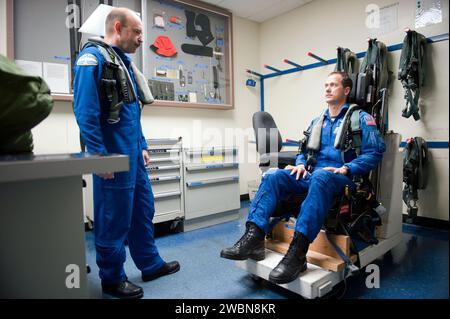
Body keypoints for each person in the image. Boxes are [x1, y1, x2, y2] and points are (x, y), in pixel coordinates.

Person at [220, 72, 386, 284]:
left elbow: (375, 152)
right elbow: (303, 151)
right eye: (325, 84)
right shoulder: (317, 121)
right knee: (275, 175)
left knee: (320, 177)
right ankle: (253, 236)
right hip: (314, 176)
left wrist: (347, 168)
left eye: (333, 85)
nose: (327, 88)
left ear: (346, 90)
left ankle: (298, 254)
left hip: (341, 179)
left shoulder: (361, 119)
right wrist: (299, 164)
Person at [73, 8, 179, 299]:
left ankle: (150, 263)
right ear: (118, 28)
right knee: (113, 217)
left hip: (133, 153)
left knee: (143, 210)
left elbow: (133, 112)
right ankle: (112, 277)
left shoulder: (123, 64)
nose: (142, 39)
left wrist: (142, 145)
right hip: (113, 156)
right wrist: (98, 156)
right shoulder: (91, 59)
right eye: (137, 32)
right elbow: (85, 113)